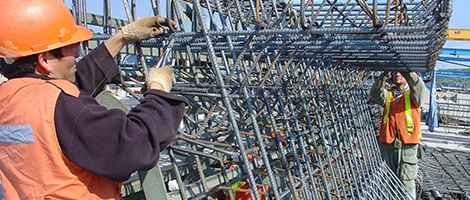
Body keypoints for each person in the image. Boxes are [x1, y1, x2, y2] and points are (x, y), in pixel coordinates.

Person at [0, 0, 187, 199]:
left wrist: (122, 37)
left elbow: (67, 94)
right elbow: (135, 145)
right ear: (45, 60)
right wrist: (158, 90)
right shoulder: (60, 104)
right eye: (71, 47)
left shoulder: (9, 98)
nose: (77, 53)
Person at [370, 71, 425, 199]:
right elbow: (375, 92)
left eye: (401, 72)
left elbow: (419, 87)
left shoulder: (413, 95)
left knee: (406, 180)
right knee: (390, 179)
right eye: (395, 72)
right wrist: (383, 75)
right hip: (388, 143)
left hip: (407, 144)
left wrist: (408, 71)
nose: (397, 74)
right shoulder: (388, 95)